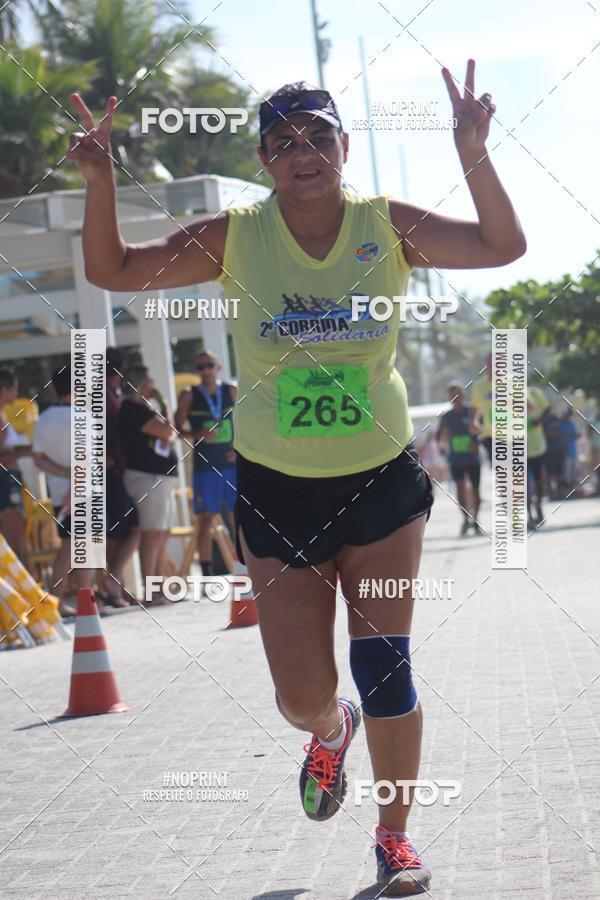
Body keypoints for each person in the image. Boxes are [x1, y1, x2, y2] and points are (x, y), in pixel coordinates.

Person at [69, 62, 526, 895]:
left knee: (386, 664)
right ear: (263, 160)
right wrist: (101, 179)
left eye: (319, 134)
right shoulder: (238, 236)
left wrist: (472, 153)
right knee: (300, 694)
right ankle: (329, 730)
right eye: (284, 141)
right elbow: (117, 271)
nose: (304, 150)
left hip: (381, 484)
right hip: (278, 488)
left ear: (345, 146)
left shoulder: (386, 224)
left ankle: (395, 839)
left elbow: (503, 246)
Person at [32, 365, 93, 617]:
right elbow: (86, 459)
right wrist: (75, 487)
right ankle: (84, 598)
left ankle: (56, 598)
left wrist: (65, 477)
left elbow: (39, 459)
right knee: (84, 547)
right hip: (84, 491)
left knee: (67, 547)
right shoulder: (84, 417)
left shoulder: (44, 419)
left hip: (59, 492)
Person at [117, 365, 178, 604]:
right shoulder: (132, 410)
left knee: (162, 533)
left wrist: (161, 408)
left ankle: (159, 586)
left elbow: (168, 432)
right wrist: (165, 404)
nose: (152, 386)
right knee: (152, 534)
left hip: (158, 477)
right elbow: (168, 431)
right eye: (148, 381)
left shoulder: (142, 409)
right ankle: (152, 590)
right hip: (146, 477)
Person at [174, 349, 237, 576]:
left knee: (238, 515)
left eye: (209, 365)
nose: (206, 370)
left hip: (231, 464)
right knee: (205, 519)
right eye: (201, 367)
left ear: (218, 366)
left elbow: (250, 420)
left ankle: (245, 564)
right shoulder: (189, 395)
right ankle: (208, 572)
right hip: (206, 466)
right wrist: (196, 433)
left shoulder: (230, 390)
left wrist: (239, 447)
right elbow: (176, 429)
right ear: (196, 371)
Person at [103, 347, 141, 606]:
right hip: (111, 471)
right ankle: (112, 582)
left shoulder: (107, 395)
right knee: (121, 530)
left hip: (116, 470)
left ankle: (115, 582)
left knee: (125, 529)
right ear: (118, 371)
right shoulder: (104, 397)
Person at [436, 383, 482, 535]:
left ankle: (475, 519)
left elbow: (484, 429)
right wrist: (442, 445)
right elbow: (441, 435)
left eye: (458, 395)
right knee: (460, 489)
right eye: (452, 396)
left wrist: (476, 441)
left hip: (473, 458)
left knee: (475, 490)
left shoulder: (472, 411)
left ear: (464, 396)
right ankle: (465, 519)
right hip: (456, 459)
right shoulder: (446, 417)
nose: (456, 398)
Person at [0, 369, 32, 561]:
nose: (16, 393)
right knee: (12, 542)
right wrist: (31, 450)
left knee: (15, 540)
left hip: (9, 479)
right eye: (14, 389)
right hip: (6, 480)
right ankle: (18, 588)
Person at [526, 386, 550, 528]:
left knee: (539, 481)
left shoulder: (534, 392)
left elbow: (547, 409)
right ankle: (529, 515)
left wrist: (539, 420)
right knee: (523, 485)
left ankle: (539, 508)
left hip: (538, 447)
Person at [471, 352, 493, 464]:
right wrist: (474, 422)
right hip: (489, 435)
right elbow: (475, 407)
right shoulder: (478, 386)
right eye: (489, 364)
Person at [542, 406, 565, 500]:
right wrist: (552, 433)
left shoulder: (555, 419)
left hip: (558, 449)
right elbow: (543, 433)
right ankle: (551, 494)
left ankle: (559, 493)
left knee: (559, 472)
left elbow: (560, 432)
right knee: (549, 473)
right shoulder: (542, 420)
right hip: (547, 450)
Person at [558, 408, 579, 492]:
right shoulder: (560, 424)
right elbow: (560, 436)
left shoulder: (571, 424)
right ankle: (567, 490)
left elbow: (574, 434)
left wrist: (575, 436)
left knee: (573, 471)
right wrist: (572, 436)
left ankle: (572, 489)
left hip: (573, 450)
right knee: (566, 472)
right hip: (565, 450)